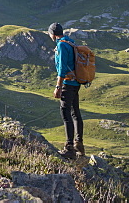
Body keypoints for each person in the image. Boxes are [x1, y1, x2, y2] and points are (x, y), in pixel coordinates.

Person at [48, 22, 84, 158]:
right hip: (76, 82)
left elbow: (62, 68)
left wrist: (58, 87)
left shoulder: (62, 45)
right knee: (75, 113)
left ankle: (69, 148)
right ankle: (79, 144)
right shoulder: (70, 42)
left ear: (52, 34)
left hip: (67, 83)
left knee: (65, 113)